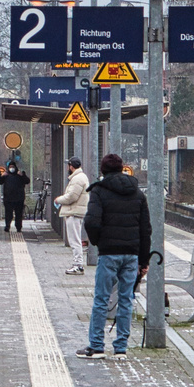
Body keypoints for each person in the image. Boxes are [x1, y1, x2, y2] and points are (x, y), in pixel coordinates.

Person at [76, 153, 152, 359]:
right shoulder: (137, 193)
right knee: (126, 299)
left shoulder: (99, 192)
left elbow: (91, 222)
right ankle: (121, 348)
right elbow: (146, 229)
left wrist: (99, 242)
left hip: (109, 253)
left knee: (101, 299)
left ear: (103, 171)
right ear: (121, 169)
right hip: (131, 255)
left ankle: (97, 346)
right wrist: (144, 261)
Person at [53, 157, 91, 275]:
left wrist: (58, 200)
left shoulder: (77, 179)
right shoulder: (80, 177)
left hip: (73, 212)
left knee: (74, 240)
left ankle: (78, 265)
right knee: (75, 239)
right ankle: (77, 264)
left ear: (71, 166)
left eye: (68, 166)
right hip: (75, 212)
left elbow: (71, 197)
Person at [0, 157, 31, 233]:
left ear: (15, 167)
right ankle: (7, 226)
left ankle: (18, 227)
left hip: (19, 199)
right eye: (10, 167)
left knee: (19, 214)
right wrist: (1, 176)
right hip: (8, 199)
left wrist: (22, 175)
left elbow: (27, 181)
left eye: (13, 167)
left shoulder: (20, 174)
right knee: (8, 214)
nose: (11, 168)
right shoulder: (6, 175)